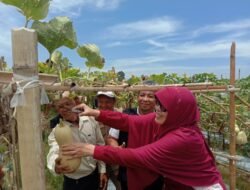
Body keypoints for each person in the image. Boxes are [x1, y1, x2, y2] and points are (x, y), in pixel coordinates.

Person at [62, 87, 226, 190]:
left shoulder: (183, 138)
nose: (158, 109)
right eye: (158, 104)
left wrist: (92, 150)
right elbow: (128, 120)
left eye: (163, 107)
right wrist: (95, 112)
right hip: (178, 184)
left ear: (178, 111)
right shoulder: (170, 121)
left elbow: (137, 156)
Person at [47, 97, 107, 190]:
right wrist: (55, 167)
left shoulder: (91, 121)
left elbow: (99, 145)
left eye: (67, 105)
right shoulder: (57, 131)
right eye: (61, 107)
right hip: (72, 182)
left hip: (92, 177)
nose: (64, 109)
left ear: (75, 105)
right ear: (59, 111)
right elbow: (53, 151)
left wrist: (102, 170)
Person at [107, 90, 162, 190]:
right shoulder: (125, 115)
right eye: (142, 95)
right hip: (128, 172)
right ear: (137, 97)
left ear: (156, 100)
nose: (145, 99)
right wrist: (116, 149)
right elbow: (111, 138)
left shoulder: (161, 117)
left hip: (154, 173)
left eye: (150, 96)